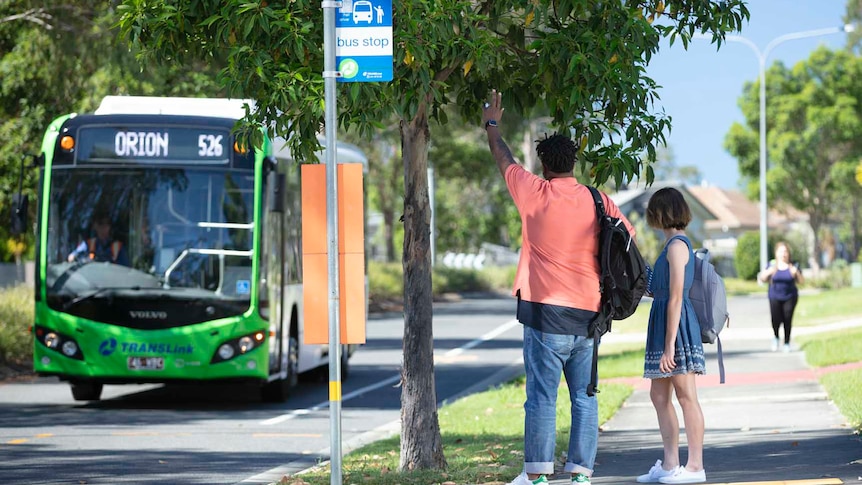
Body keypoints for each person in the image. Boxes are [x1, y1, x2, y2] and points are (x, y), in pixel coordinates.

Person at [482, 90, 636, 485]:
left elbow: (503, 158)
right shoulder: (598, 201)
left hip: (546, 315)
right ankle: (582, 474)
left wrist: (492, 123)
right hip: (589, 316)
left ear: (544, 165)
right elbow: (628, 239)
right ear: (573, 163)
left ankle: (536, 476)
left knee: (542, 399)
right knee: (584, 398)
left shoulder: (532, 192)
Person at [636, 187, 706, 484]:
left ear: (662, 212)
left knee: (686, 395)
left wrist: (669, 347)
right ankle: (669, 464)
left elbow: (676, 298)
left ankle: (695, 468)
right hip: (664, 322)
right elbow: (661, 291)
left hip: (675, 328)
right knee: (659, 395)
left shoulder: (678, 246)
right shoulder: (669, 246)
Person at [757, 241, 803, 352]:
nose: (783, 254)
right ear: (776, 253)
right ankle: (776, 337)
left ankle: (787, 342)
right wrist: (769, 272)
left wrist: (796, 273)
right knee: (775, 319)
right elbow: (762, 279)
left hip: (790, 296)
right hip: (774, 296)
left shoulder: (794, 265)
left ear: (788, 253)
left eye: (785, 251)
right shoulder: (772, 264)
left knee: (787, 319)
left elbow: (801, 281)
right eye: (781, 251)